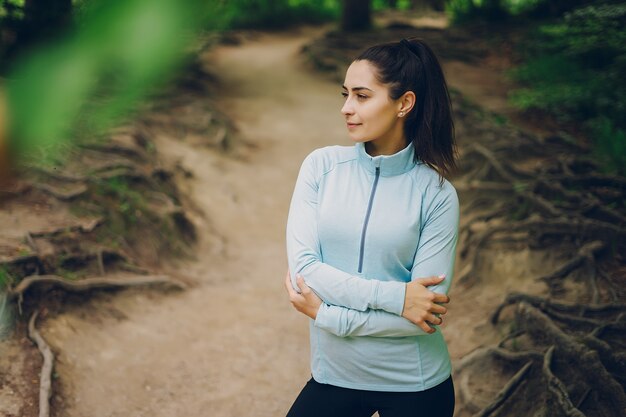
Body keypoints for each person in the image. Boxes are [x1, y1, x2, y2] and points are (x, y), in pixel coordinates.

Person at [284, 38, 459, 417]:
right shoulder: (321, 168)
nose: (347, 108)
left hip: (416, 384)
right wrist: (398, 299)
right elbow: (305, 271)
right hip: (333, 376)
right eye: (345, 95)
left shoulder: (437, 193)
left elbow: (423, 317)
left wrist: (328, 315)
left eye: (362, 96)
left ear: (404, 103)